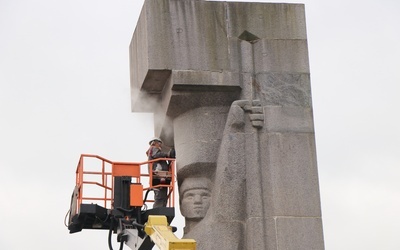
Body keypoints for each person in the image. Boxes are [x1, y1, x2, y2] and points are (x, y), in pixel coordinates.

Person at [146, 137, 175, 208]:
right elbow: (156, 155)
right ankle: (158, 210)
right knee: (160, 196)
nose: (160, 145)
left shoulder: (155, 152)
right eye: (159, 143)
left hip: (161, 176)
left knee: (163, 196)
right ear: (155, 143)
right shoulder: (153, 149)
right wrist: (166, 154)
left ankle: (162, 208)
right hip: (158, 175)